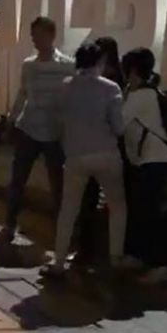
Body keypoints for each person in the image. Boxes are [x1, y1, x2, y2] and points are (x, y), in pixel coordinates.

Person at [43, 42, 129, 278]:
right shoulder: (111, 89)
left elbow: (59, 121)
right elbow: (119, 128)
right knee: (118, 204)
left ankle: (59, 262)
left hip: (75, 156)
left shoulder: (65, 88)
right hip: (106, 154)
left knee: (68, 209)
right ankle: (115, 257)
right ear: (100, 62)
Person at [2, 16, 75, 242]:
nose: (35, 39)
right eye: (33, 35)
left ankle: (62, 229)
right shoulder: (29, 65)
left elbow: (71, 98)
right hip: (29, 127)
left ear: (51, 35)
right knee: (18, 179)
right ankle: (9, 223)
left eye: (38, 35)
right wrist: (12, 121)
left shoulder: (67, 65)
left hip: (54, 131)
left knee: (58, 183)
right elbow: (22, 94)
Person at [121, 47, 167, 285]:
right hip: (155, 160)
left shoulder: (140, 96)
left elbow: (118, 123)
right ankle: (140, 257)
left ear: (132, 71)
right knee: (145, 211)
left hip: (155, 161)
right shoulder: (150, 92)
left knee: (151, 214)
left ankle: (161, 265)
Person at [73, 35, 125, 266]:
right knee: (112, 203)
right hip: (109, 149)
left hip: (88, 149)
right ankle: (111, 254)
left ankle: (86, 251)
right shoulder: (118, 84)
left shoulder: (99, 83)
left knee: (87, 200)